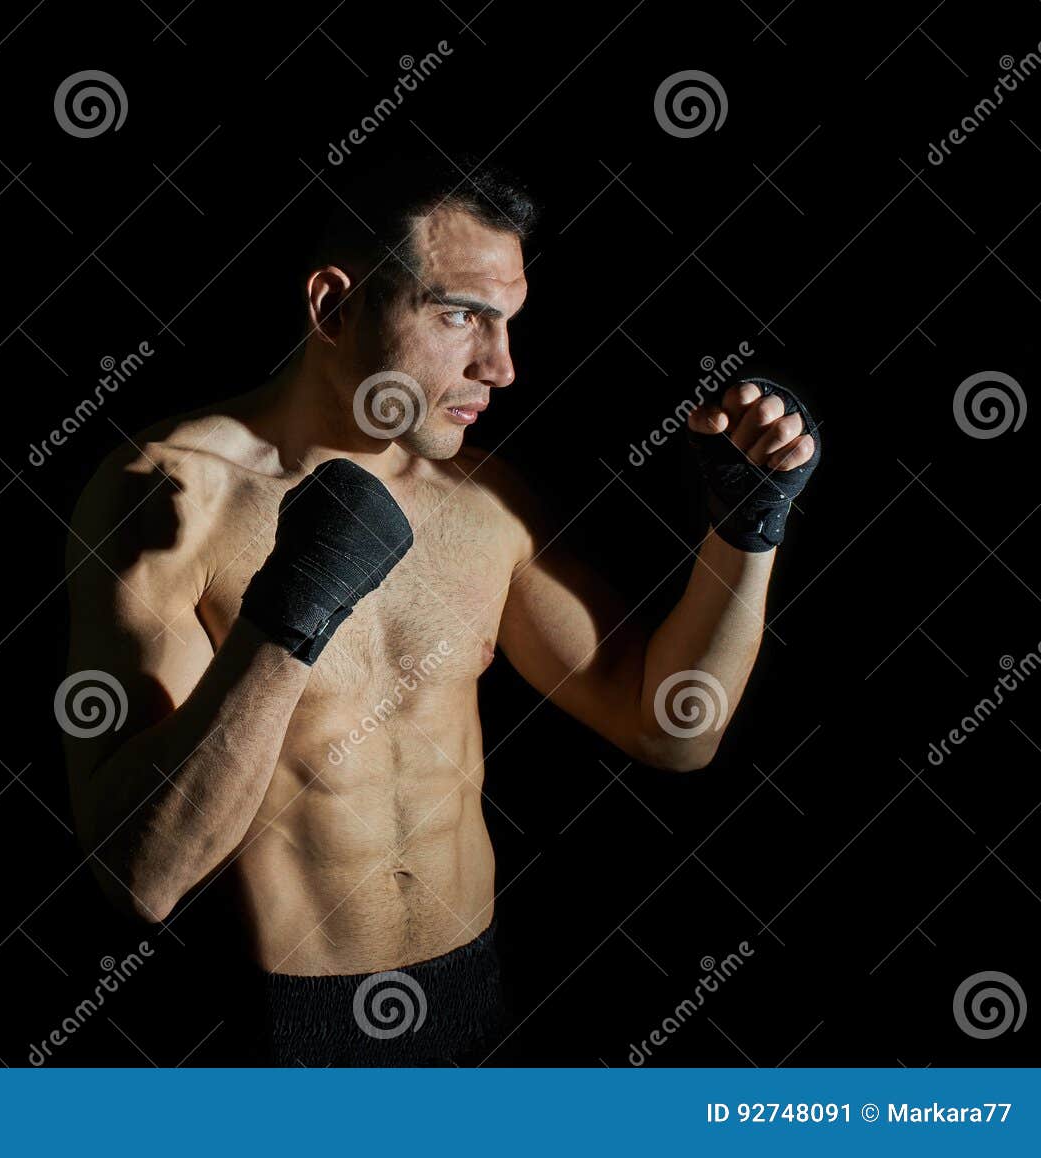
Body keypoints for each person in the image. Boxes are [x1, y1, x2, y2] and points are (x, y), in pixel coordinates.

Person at [60, 154, 820, 1065]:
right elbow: (145, 876)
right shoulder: (167, 498)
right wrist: (290, 613)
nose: (500, 367)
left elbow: (671, 730)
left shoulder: (483, 505)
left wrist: (744, 533)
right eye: (462, 315)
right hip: (274, 1031)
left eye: (508, 324)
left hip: (473, 1001)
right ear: (333, 306)